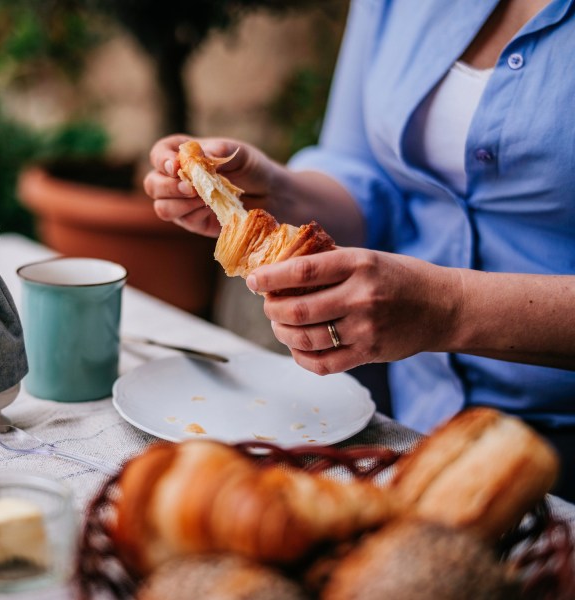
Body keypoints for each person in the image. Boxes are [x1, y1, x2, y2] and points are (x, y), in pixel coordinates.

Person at [143, 0, 575, 499]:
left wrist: (449, 308)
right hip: (411, 425)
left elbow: (443, 305)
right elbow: (365, 173)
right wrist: (277, 192)